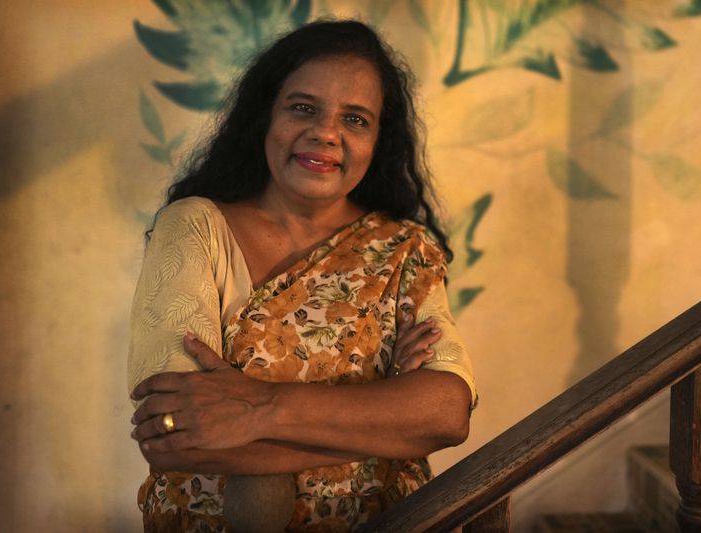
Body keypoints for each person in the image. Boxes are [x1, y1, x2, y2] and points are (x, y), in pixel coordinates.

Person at [127, 19, 476, 532]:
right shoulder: (196, 227)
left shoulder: (405, 250)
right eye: (303, 108)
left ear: (379, 140)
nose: (325, 133)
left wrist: (258, 406)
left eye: (355, 119)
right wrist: (387, 422)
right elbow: (173, 433)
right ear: (265, 116)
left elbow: (446, 414)